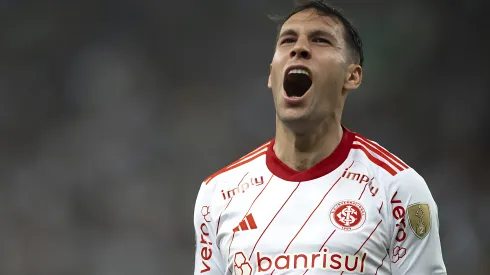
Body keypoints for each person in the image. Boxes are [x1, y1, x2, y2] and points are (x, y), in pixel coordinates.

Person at [193, 1, 447, 274]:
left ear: (352, 76)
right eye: (288, 39)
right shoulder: (217, 195)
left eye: (320, 40)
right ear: (271, 75)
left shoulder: (398, 190)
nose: (299, 48)